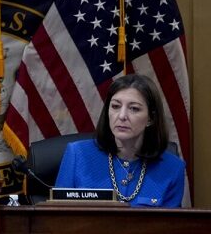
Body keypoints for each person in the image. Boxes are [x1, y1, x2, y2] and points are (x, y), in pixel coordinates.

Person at [55, 74, 185, 207]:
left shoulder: (173, 168)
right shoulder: (78, 155)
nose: (122, 116)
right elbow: (58, 219)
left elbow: (169, 226)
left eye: (134, 108)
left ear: (150, 118)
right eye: (116, 106)